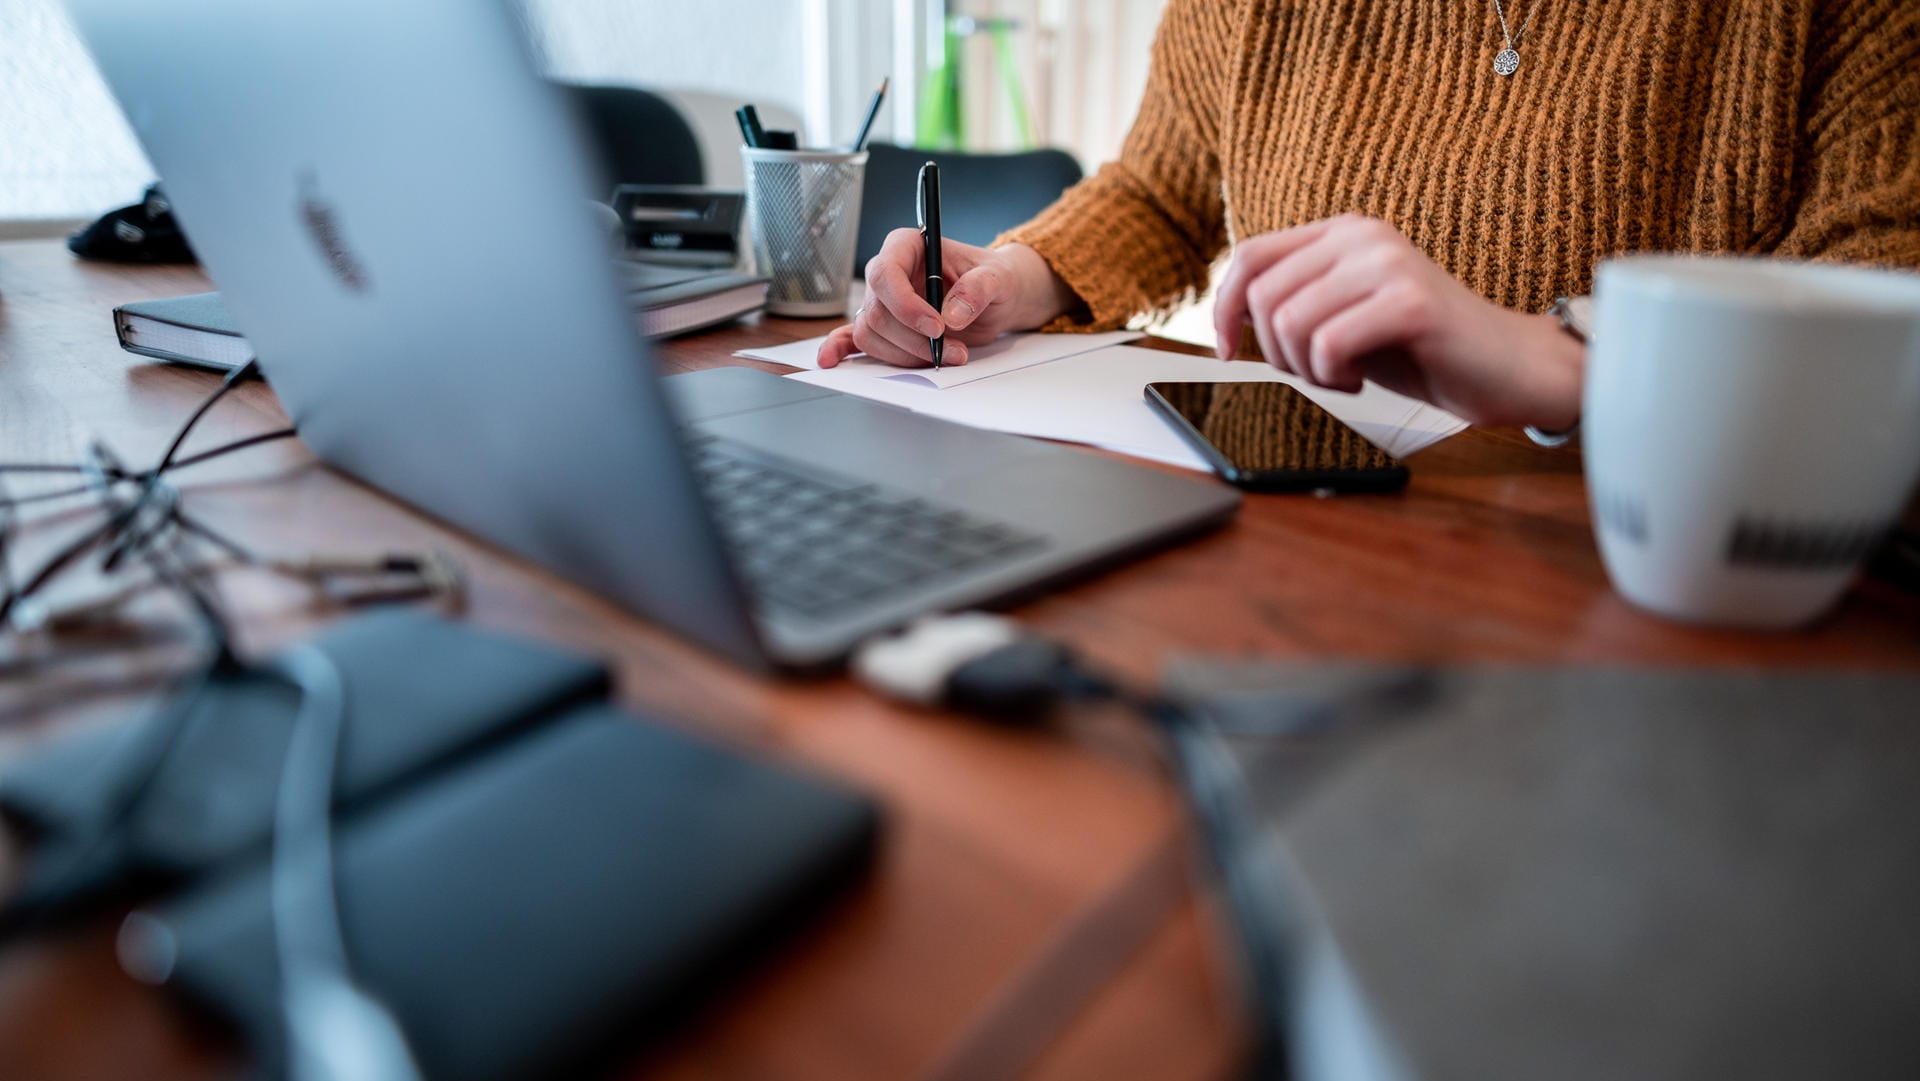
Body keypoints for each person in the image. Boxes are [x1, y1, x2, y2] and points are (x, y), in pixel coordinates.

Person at [819, 0, 1920, 434]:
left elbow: (1888, 302)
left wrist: (1571, 357)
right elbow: (1161, 189)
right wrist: (1013, 276)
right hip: (1304, 548)